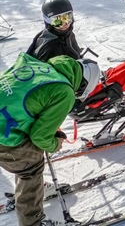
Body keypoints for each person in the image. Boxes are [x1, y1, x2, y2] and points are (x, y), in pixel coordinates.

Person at [27, 0, 125, 121]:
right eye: (58, 20)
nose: (64, 24)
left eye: (67, 17)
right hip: (80, 99)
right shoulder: (51, 47)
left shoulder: (58, 35)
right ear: (48, 21)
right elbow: (47, 87)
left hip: (85, 83)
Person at [0, 53, 100, 226]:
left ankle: (35, 191)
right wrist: (55, 143)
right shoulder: (64, 91)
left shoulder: (37, 65)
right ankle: (33, 222)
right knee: (30, 168)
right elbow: (40, 137)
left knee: (26, 157)